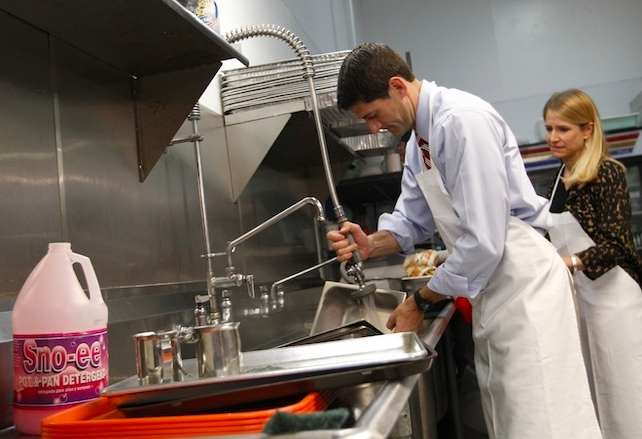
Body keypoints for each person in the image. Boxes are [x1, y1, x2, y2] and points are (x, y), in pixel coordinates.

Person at [327, 43, 601, 439]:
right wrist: (371, 244)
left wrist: (420, 301)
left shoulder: (461, 122)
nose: (373, 128)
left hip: (523, 284)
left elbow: (484, 241)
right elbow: (411, 220)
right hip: (492, 289)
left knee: (543, 421)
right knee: (510, 420)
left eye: (372, 115)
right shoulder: (418, 144)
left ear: (397, 86)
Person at [543, 89, 642, 439]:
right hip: (582, 299)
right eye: (549, 128)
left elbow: (617, 244)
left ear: (587, 130)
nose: (553, 137)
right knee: (596, 390)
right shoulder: (560, 176)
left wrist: (572, 261)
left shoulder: (607, 173)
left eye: (563, 129)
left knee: (625, 391)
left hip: (616, 299)